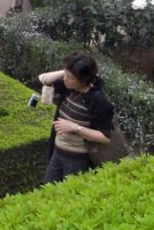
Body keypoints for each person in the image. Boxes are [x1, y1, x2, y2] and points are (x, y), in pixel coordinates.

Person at [38, 52, 114, 184]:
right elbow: (43, 79)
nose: (65, 79)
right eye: (65, 76)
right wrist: (68, 70)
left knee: (67, 197)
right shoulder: (69, 88)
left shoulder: (97, 101)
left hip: (77, 159)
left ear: (83, 81)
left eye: (70, 77)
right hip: (57, 151)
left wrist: (75, 128)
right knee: (46, 190)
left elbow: (105, 137)